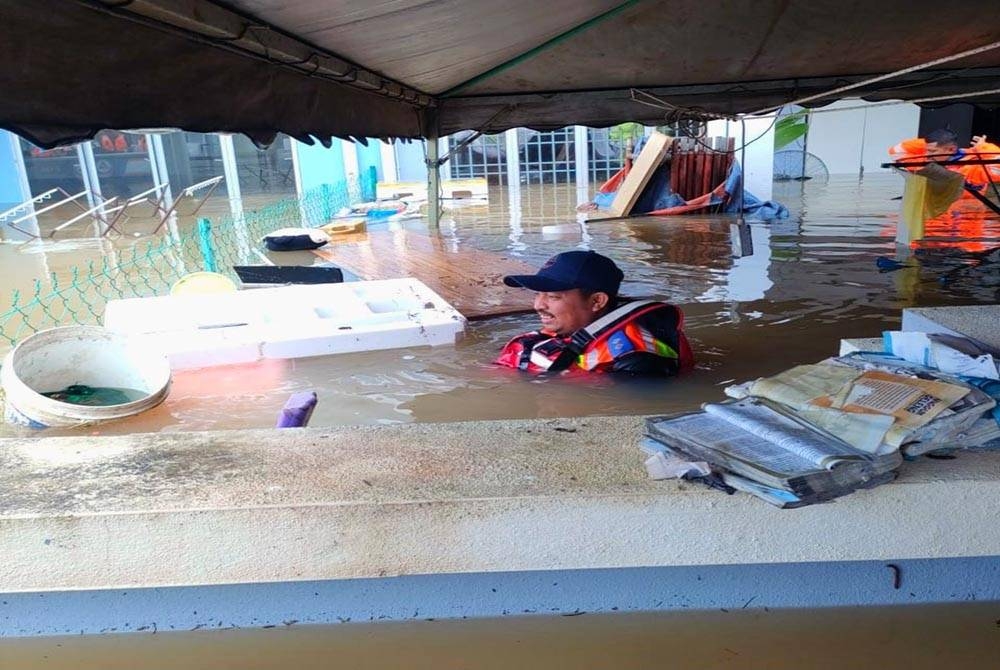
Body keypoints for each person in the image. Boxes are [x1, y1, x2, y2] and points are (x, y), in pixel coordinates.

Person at [495, 250, 694, 375]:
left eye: (553, 297)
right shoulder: (574, 326)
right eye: (538, 294)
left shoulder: (637, 360)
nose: (538, 305)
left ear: (597, 301)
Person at [889, 129, 1000, 199]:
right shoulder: (924, 164)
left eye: (932, 151)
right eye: (926, 150)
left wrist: (983, 147)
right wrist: (931, 143)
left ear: (951, 149)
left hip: (964, 223)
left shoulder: (972, 164)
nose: (927, 154)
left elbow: (998, 167)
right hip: (932, 218)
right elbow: (896, 151)